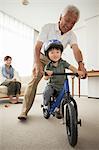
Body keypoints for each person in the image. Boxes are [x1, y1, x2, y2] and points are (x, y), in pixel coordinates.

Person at [18, 5, 87, 120]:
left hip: (57, 59)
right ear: (60, 17)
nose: (69, 25)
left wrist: (81, 65)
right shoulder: (48, 27)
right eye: (67, 20)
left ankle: (58, 107)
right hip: (43, 57)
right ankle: (24, 111)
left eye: (73, 23)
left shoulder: (71, 35)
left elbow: (76, 50)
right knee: (35, 79)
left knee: (62, 80)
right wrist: (37, 63)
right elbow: (37, 47)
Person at [43, 39, 84, 119]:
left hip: (62, 86)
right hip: (52, 85)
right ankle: (45, 104)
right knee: (47, 92)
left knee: (64, 97)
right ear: (48, 55)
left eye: (57, 52)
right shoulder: (48, 66)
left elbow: (71, 67)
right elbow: (45, 77)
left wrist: (77, 71)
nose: (55, 54)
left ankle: (59, 110)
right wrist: (48, 75)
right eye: (52, 52)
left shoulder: (63, 62)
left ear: (61, 53)